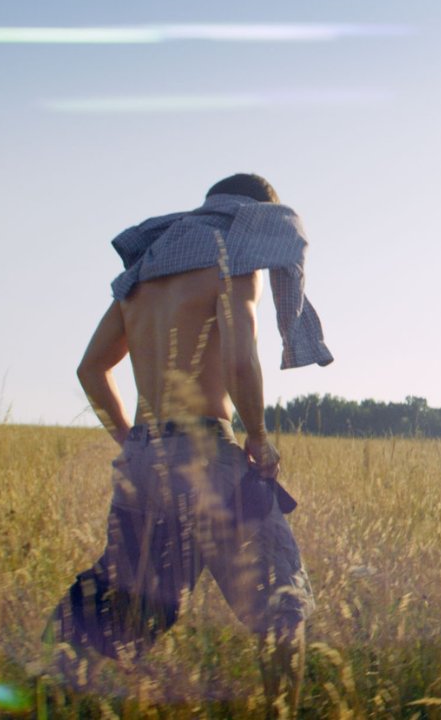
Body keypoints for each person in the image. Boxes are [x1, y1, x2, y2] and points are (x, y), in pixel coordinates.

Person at [53, 173, 333, 706]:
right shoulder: (234, 261)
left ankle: (58, 695)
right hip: (209, 453)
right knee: (282, 606)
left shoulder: (141, 278)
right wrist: (258, 438)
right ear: (259, 221)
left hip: (144, 459)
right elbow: (238, 359)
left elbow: (91, 370)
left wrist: (131, 441)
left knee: (125, 611)